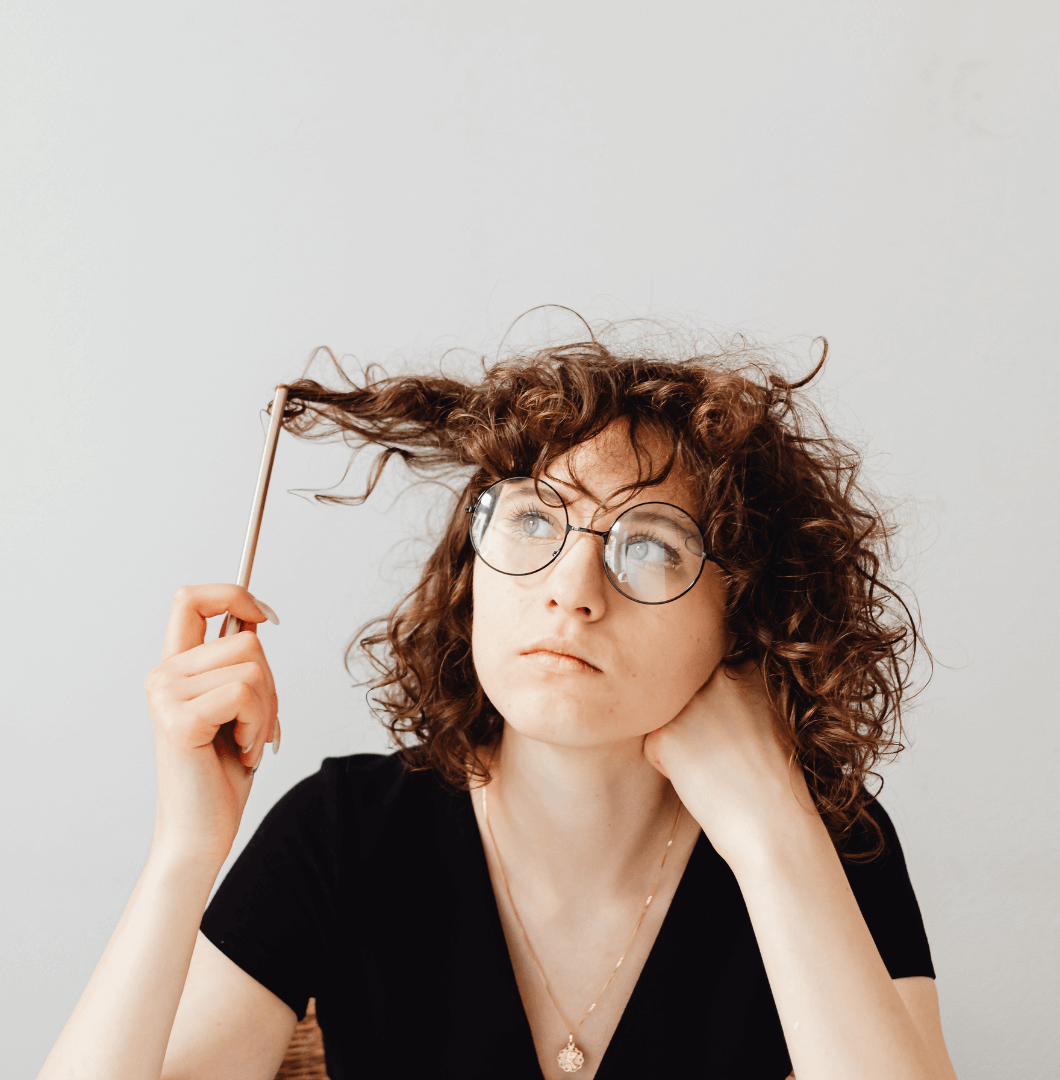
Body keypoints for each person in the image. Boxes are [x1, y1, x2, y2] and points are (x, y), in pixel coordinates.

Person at [38, 332, 958, 1080]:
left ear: (745, 616)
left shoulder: (830, 840)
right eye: (532, 519)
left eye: (650, 546)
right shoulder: (346, 830)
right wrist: (184, 851)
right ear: (472, 569)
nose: (572, 590)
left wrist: (772, 836)